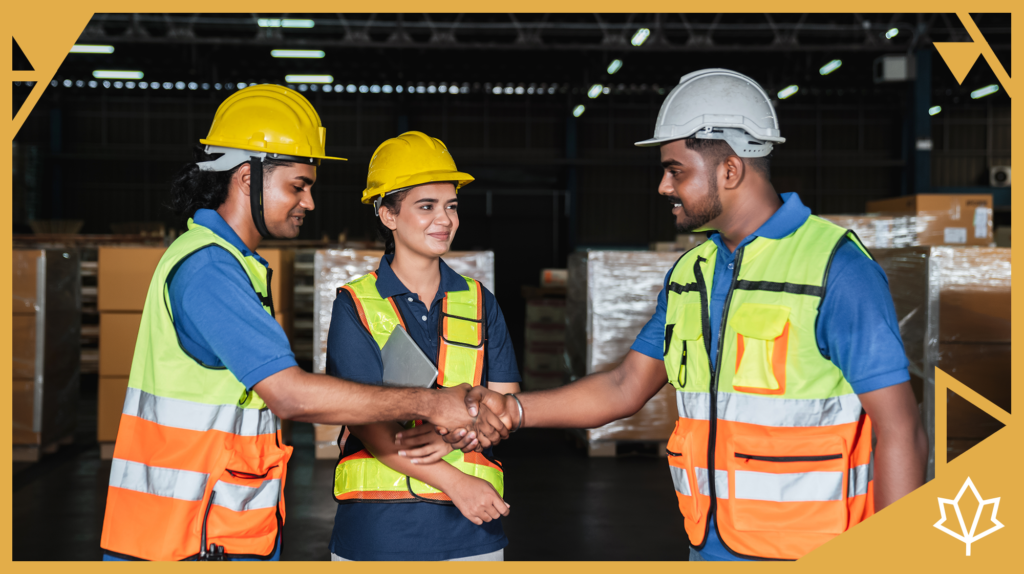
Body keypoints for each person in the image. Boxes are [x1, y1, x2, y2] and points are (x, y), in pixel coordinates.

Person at [416, 69, 929, 561]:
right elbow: (624, 386)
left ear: (730, 170)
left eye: (675, 170)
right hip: (709, 546)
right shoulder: (692, 273)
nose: (663, 186)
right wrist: (515, 411)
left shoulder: (834, 268)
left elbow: (901, 427)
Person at [99, 87, 506, 562]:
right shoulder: (209, 270)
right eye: (297, 186)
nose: (309, 202)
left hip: (211, 527)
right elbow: (290, 394)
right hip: (184, 536)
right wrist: (431, 403)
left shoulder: (235, 265)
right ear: (247, 178)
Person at [325, 131, 521, 561]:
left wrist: (451, 444)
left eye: (451, 206)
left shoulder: (480, 302)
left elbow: (506, 405)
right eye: (426, 206)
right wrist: (456, 482)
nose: (445, 219)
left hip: (473, 534)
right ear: (387, 214)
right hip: (377, 534)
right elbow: (362, 419)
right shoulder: (355, 304)